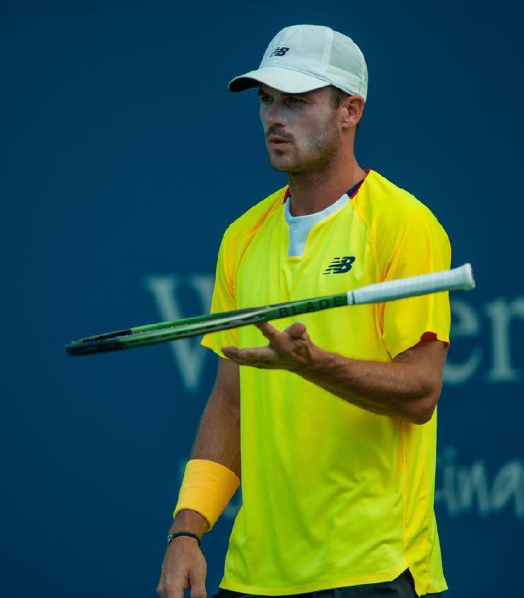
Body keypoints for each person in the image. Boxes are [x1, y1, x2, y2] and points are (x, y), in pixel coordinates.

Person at [156, 24, 451, 598]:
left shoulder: (403, 224)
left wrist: (315, 366)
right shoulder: (241, 238)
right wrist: (187, 529)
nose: (273, 117)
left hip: (372, 570)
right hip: (253, 575)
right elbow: (231, 400)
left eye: (295, 101)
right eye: (267, 100)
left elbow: (421, 392)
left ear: (350, 111)